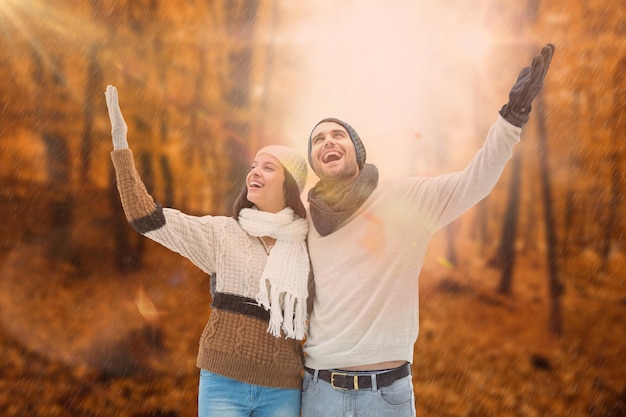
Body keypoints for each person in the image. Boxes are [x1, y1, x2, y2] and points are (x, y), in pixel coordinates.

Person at [301, 44, 555, 417]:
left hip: (385, 396)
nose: (327, 141)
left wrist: (511, 119)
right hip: (318, 393)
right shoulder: (304, 219)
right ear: (315, 162)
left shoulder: (404, 199)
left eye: (337, 134)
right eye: (318, 140)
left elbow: (474, 183)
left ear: (357, 149)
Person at [104, 85, 311, 417]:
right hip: (223, 384)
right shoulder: (222, 233)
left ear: (290, 186)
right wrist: (120, 145)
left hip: (283, 388)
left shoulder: (307, 246)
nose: (254, 171)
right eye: (254, 165)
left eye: (268, 167)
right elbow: (146, 218)